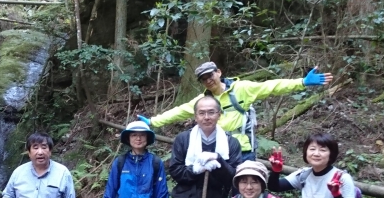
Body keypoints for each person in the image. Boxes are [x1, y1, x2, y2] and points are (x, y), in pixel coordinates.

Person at [140, 62, 333, 161]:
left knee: (244, 191)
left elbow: (271, 86)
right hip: (217, 150)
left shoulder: (241, 89)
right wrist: (153, 122)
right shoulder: (204, 101)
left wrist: (302, 82)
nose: (208, 80)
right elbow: (180, 111)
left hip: (243, 150)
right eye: (203, 79)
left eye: (210, 75)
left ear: (218, 72)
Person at [102, 121, 169, 198]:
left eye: (142, 135)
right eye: (134, 135)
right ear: (128, 138)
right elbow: (110, 192)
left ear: (147, 138)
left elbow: (161, 195)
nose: (138, 138)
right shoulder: (120, 162)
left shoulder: (155, 163)